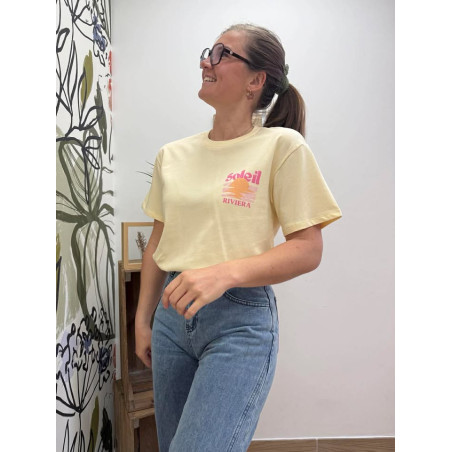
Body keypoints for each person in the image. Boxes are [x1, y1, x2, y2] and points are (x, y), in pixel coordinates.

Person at [135, 23, 342, 452]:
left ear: (256, 80)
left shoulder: (282, 146)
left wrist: (223, 274)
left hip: (239, 322)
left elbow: (308, 249)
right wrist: (143, 319)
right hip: (171, 317)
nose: (205, 62)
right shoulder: (171, 155)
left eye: (221, 54)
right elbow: (158, 243)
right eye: (207, 52)